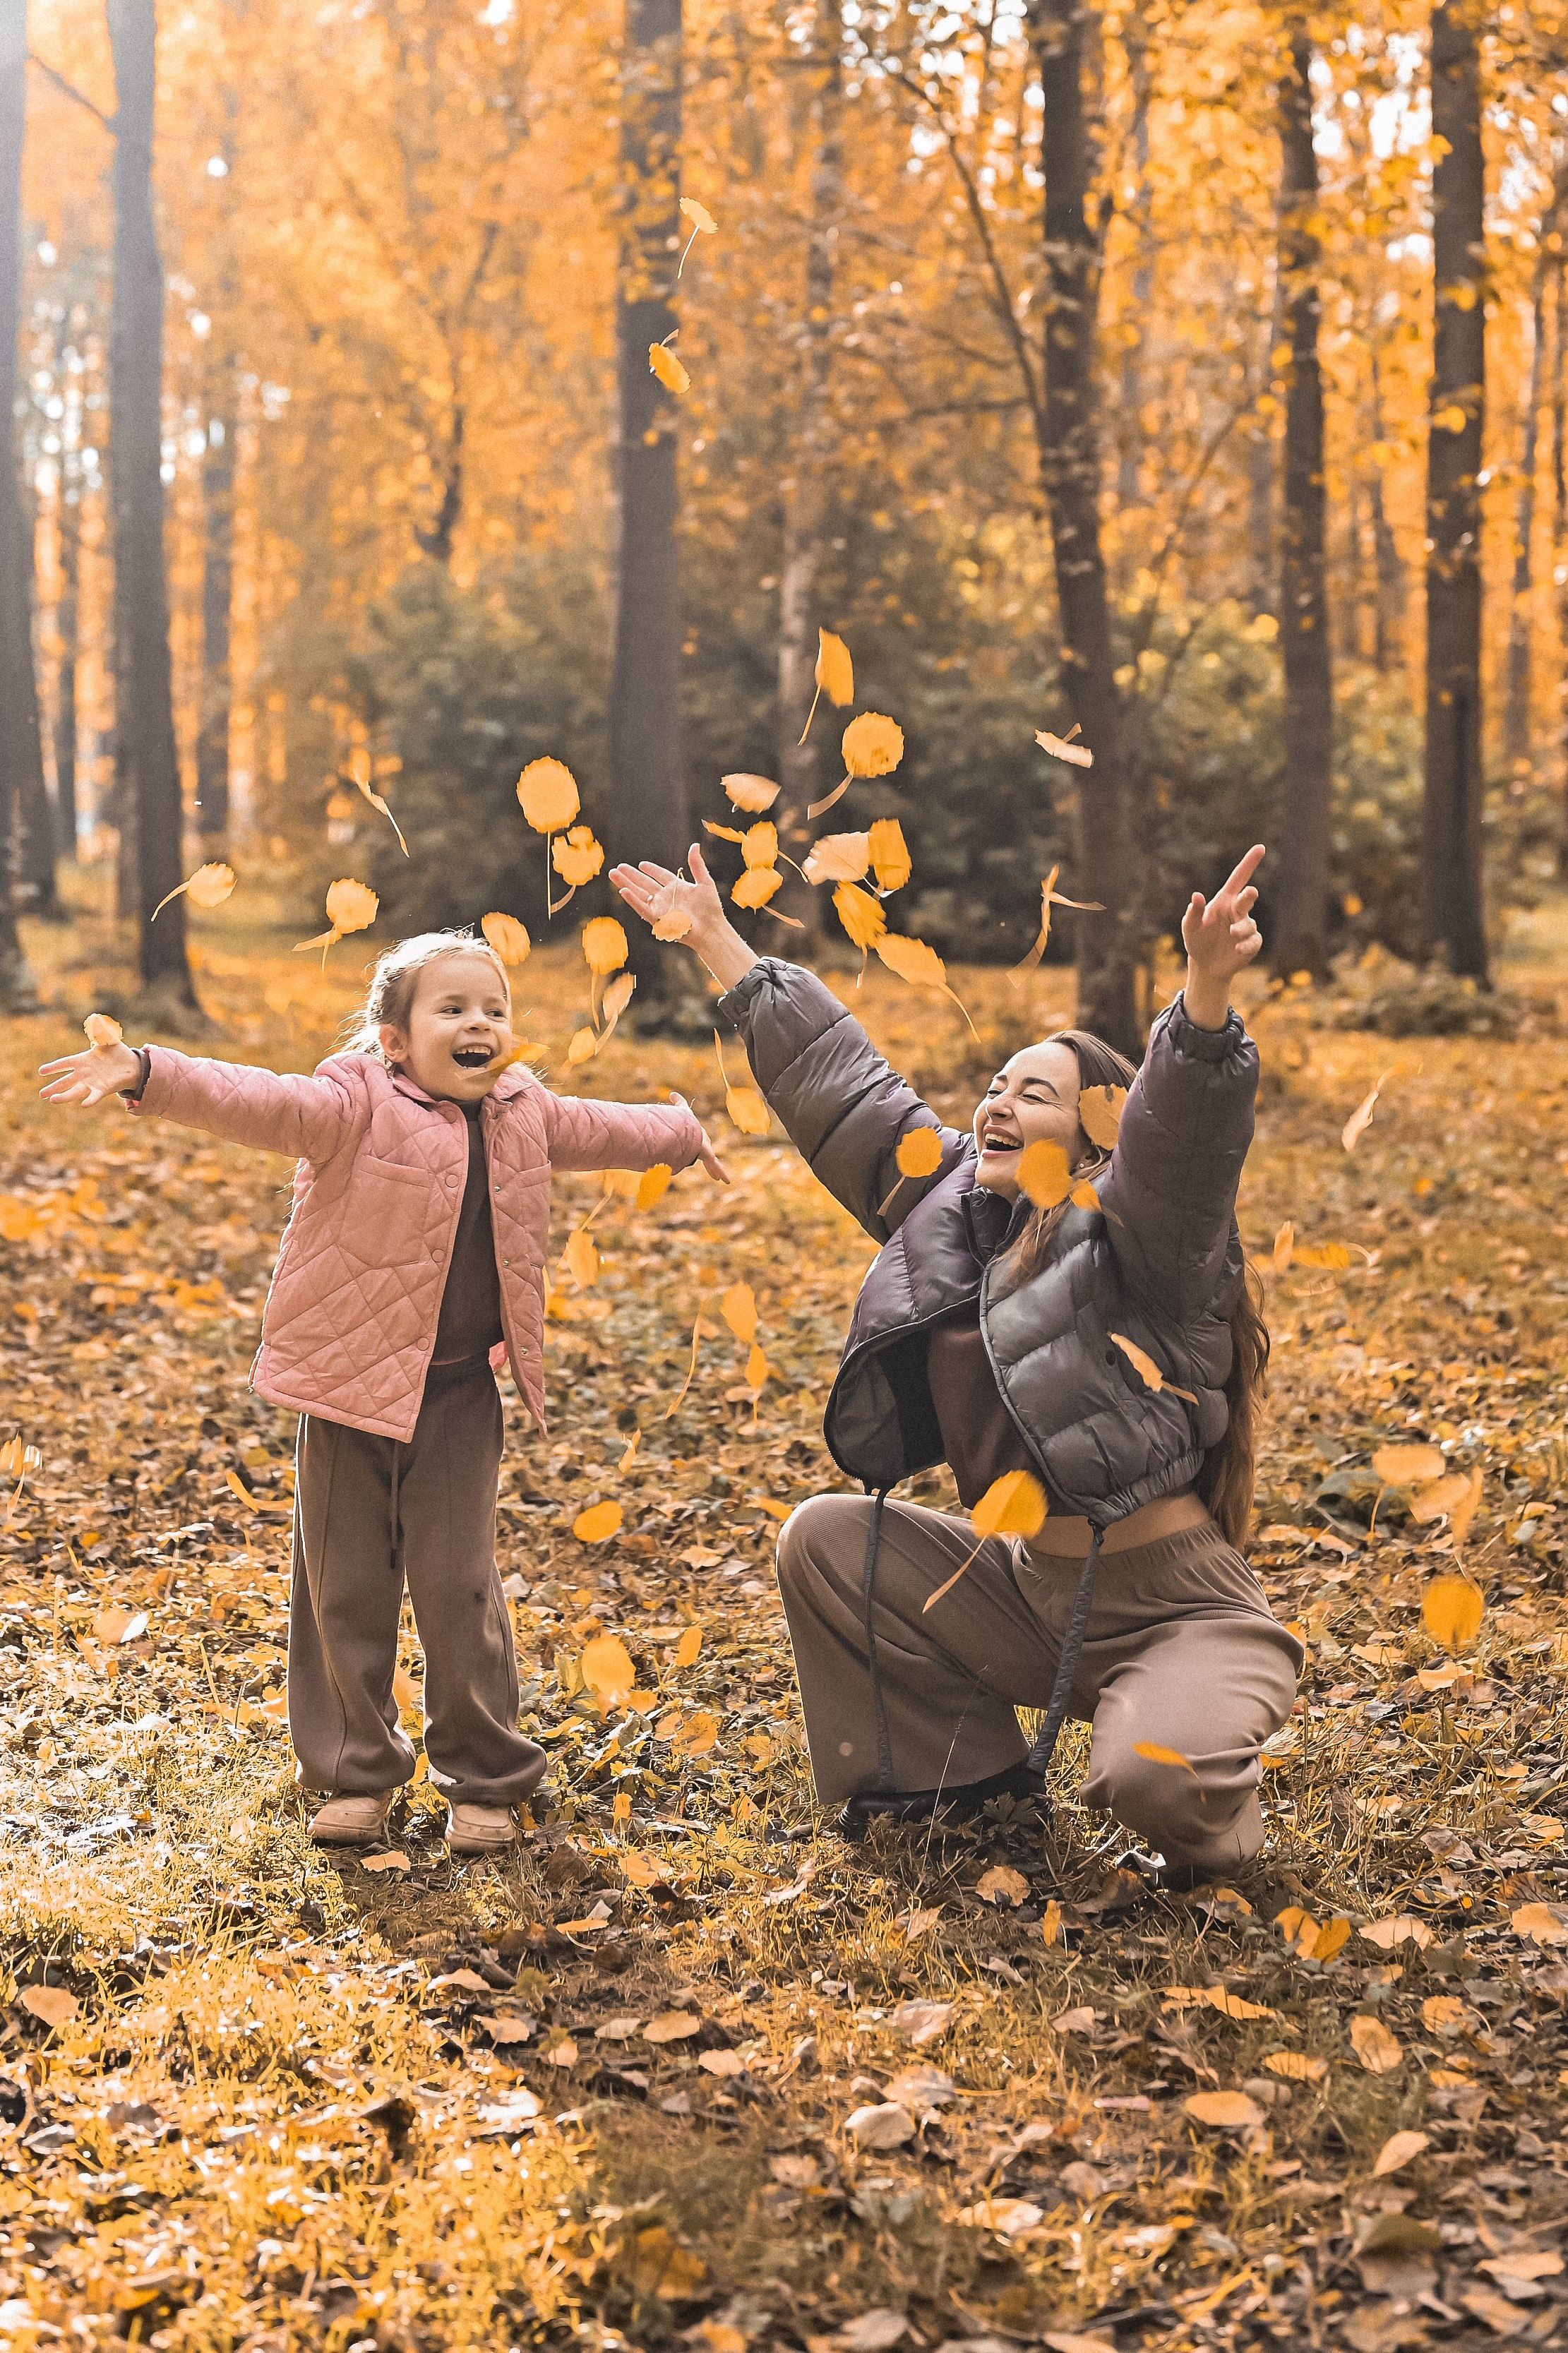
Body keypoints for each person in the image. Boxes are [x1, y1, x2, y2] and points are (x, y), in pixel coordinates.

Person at [609, 842, 1300, 1886]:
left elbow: (1184, 1139)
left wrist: (1202, 996)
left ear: (1098, 1138)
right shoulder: (951, 1216)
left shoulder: (1150, 1237)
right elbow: (840, 1086)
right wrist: (715, 939)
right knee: (829, 1540)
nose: (996, 1104)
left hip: (1178, 1607)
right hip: (1028, 1593)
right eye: (993, 1084)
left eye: (1035, 1094)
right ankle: (957, 1779)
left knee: (1146, 1776)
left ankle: (1220, 1825)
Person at [39, 930, 724, 1855]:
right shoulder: (352, 1103)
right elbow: (256, 1099)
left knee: (457, 1584)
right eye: (453, 1008)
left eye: (494, 1008)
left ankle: (483, 1776)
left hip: (455, 1399)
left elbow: (610, 1129)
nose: (480, 1022)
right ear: (395, 1038)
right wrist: (146, 1071)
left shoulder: (525, 1109)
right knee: (344, 1585)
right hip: (344, 1392)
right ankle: (355, 1768)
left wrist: (682, 1133)